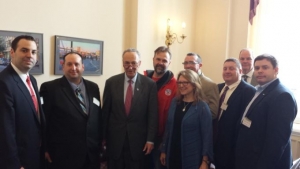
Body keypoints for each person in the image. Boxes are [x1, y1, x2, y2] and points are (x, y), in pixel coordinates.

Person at [40, 52, 102, 169]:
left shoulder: (94, 87)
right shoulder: (49, 88)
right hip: (63, 156)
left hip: (91, 155)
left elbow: (97, 117)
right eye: (69, 64)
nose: (73, 68)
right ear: (63, 66)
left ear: (82, 67)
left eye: (77, 64)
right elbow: (44, 121)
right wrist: (45, 148)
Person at [235, 54, 298, 169]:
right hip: (250, 158)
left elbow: (276, 143)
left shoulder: (282, 95)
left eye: (265, 67)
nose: (260, 71)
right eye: (257, 68)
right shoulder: (260, 90)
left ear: (276, 70)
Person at [102, 48, 158, 169]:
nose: (130, 66)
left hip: (139, 143)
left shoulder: (149, 84)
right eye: (127, 63)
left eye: (133, 63)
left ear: (139, 63)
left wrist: (150, 140)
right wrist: (102, 138)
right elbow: (105, 112)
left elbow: (153, 115)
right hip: (115, 142)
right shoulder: (111, 82)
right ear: (123, 63)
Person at [0, 35, 45, 169]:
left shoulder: (32, 80)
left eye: (33, 52)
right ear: (12, 52)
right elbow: (5, 130)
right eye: (24, 50)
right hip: (18, 161)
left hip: (35, 155)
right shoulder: (4, 83)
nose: (30, 55)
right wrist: (14, 164)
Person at [160, 69, 213, 169]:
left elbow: (207, 136)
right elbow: (168, 128)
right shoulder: (175, 102)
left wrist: (205, 161)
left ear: (194, 84)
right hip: (172, 152)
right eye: (179, 82)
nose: (181, 85)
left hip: (192, 156)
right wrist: (164, 150)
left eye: (185, 82)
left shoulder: (202, 107)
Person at [213, 58, 255, 169]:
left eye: (232, 68)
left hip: (232, 147)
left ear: (240, 71)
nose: (227, 71)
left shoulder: (249, 91)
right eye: (225, 68)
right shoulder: (218, 87)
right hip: (215, 143)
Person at [144, 46, 177, 169]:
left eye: (164, 60)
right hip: (142, 135)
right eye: (158, 59)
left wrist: (165, 142)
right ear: (153, 59)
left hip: (161, 139)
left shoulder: (175, 85)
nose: (160, 63)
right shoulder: (143, 80)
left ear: (169, 62)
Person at [183, 52, 219, 119]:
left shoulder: (210, 85)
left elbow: (213, 112)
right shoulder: (182, 82)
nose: (188, 66)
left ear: (200, 65)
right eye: (185, 63)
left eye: (191, 63)